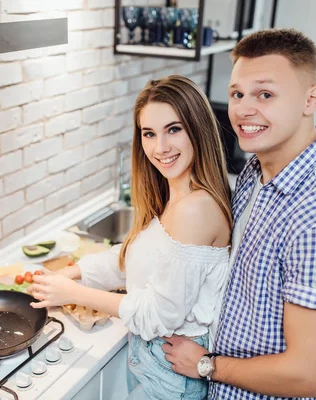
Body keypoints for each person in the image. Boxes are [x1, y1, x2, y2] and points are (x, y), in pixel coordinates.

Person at [162, 28, 316, 400]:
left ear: (311, 100)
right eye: (237, 94)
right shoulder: (257, 169)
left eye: (266, 94)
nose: (243, 109)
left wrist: (207, 364)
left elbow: (306, 375)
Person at [28, 75, 233, 399]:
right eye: (149, 134)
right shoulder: (174, 192)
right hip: (152, 362)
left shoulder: (195, 209)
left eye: (173, 129)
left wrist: (73, 292)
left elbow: (158, 316)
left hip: (170, 376)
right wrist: (76, 272)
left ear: (198, 128)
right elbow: (137, 256)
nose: (160, 147)